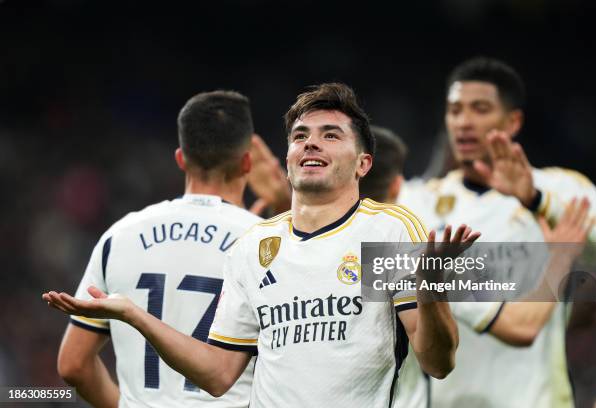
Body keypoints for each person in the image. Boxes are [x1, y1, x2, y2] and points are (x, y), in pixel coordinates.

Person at [44, 83, 480, 408]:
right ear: (287, 158)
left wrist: (432, 288)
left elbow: (437, 362)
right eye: (300, 135)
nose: (311, 141)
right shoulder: (254, 244)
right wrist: (135, 316)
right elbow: (218, 374)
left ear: (363, 163)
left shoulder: (390, 230)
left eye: (331, 135)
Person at [395, 57, 596, 407]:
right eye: (455, 110)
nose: (464, 122)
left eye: (479, 109)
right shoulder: (417, 202)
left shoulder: (560, 188)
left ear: (513, 121)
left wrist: (534, 199)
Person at [362, 125, 596, 408]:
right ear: (398, 186)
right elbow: (521, 326)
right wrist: (560, 255)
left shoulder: (317, 254)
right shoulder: (408, 260)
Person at [55, 90, 262, 407]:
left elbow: (73, 364)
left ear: (180, 158)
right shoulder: (264, 242)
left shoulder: (120, 236)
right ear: (247, 161)